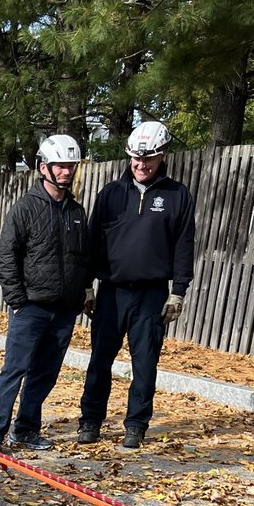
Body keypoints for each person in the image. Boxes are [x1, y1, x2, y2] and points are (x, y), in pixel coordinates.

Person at [78, 120, 195, 449]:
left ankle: (136, 425)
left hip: (151, 293)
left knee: (144, 364)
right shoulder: (111, 194)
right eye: (135, 159)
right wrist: (87, 286)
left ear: (162, 156)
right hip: (112, 292)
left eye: (149, 159)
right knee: (100, 360)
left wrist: (179, 291)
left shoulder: (177, 196)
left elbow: (184, 245)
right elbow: (92, 242)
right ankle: (90, 421)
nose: (141, 165)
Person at [0, 134, 92, 451]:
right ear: (43, 166)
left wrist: (83, 292)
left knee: (45, 373)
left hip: (64, 310)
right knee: (14, 371)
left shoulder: (77, 211)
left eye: (70, 166)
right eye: (59, 165)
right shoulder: (24, 209)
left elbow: (82, 257)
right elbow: (6, 256)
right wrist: (16, 300)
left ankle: (27, 429)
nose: (66, 172)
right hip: (30, 307)